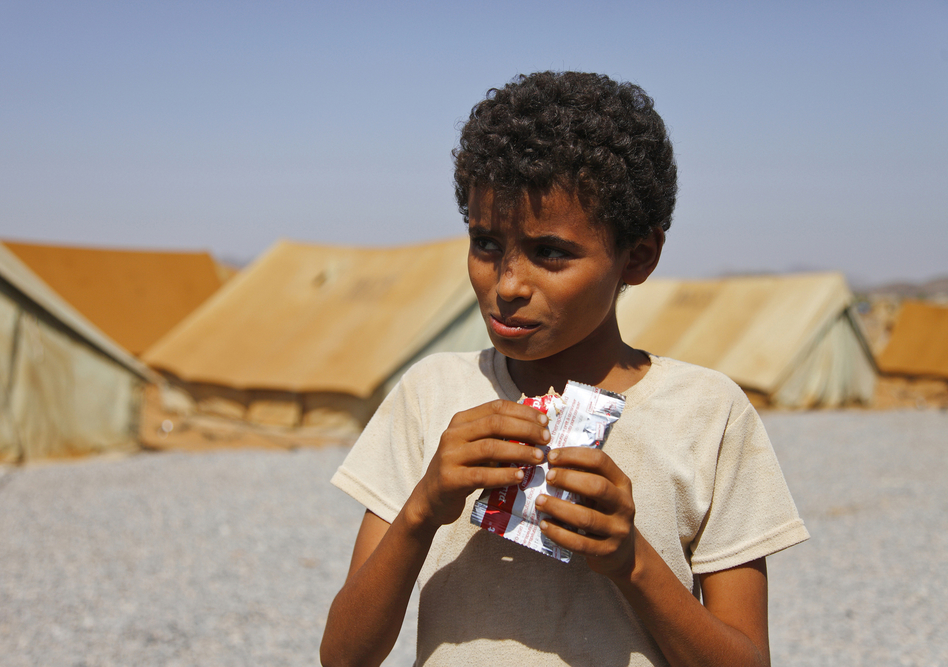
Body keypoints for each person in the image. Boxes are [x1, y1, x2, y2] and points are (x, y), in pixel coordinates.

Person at [320, 71, 808, 667]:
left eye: (551, 252)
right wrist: (423, 507)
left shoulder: (709, 414)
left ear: (639, 257)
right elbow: (343, 656)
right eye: (485, 243)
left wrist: (632, 561)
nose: (508, 284)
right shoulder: (430, 395)